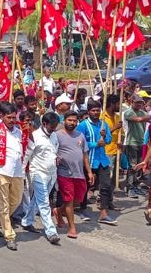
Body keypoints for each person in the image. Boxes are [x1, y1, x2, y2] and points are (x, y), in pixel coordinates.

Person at [0, 102, 26, 250]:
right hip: (0, 171)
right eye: (8, 117)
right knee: (4, 204)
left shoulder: (19, 131)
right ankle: (9, 235)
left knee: (16, 200)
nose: (11, 120)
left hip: (17, 172)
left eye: (13, 117)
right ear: (0, 116)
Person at [20, 113, 62, 245]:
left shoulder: (54, 135)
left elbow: (54, 151)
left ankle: (27, 221)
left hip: (52, 173)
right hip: (38, 173)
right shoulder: (35, 136)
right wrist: (22, 174)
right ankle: (51, 232)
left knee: (36, 201)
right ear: (44, 124)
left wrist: (57, 158)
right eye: (51, 126)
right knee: (44, 202)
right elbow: (27, 156)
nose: (54, 129)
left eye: (55, 126)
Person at [54, 111, 94, 239]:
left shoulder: (80, 136)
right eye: (70, 120)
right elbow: (51, 151)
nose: (72, 123)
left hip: (79, 173)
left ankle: (59, 211)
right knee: (69, 200)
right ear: (64, 120)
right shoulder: (57, 135)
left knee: (78, 200)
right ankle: (72, 227)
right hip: (64, 173)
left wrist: (89, 172)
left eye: (75, 121)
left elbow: (85, 155)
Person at [77, 100, 115, 225]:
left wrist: (105, 136)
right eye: (93, 110)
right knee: (86, 186)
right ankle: (82, 209)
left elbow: (109, 140)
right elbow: (78, 143)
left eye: (98, 110)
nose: (96, 112)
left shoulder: (103, 124)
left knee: (105, 186)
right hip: (88, 160)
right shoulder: (83, 125)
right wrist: (94, 144)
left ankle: (103, 213)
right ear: (89, 112)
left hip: (102, 160)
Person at [121, 94, 149, 197]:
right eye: (137, 102)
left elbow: (148, 118)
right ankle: (130, 187)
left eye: (140, 102)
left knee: (139, 166)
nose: (139, 104)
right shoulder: (128, 113)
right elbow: (138, 119)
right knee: (132, 166)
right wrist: (146, 117)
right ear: (132, 102)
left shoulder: (142, 112)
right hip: (131, 142)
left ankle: (136, 186)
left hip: (141, 142)